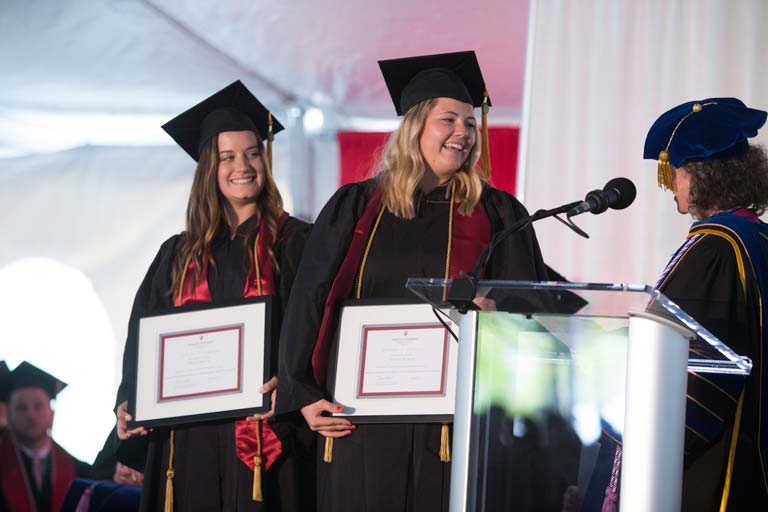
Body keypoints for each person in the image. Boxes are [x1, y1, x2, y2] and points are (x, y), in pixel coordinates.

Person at [275, 51, 549, 512]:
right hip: (359, 423)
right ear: (415, 125)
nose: (463, 133)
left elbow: (530, 308)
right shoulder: (355, 207)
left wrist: (495, 314)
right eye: (449, 120)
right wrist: (301, 392)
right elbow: (310, 299)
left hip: (452, 425)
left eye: (470, 123)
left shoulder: (498, 213)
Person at [113, 81, 314, 512]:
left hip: (265, 439)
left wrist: (292, 384)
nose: (243, 166)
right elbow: (141, 340)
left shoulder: (296, 243)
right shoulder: (177, 254)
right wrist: (130, 399)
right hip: (188, 443)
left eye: (252, 153)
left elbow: (317, 331)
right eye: (228, 157)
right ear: (209, 168)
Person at [583, 98, 768, 512]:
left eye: (677, 173)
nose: (671, 187)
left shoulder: (716, 246)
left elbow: (693, 376)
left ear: (703, 176)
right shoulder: (757, 238)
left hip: (713, 470)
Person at [0, 361, 91, 512]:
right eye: (21, 407)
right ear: (8, 414)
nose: (31, 415)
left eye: (38, 406)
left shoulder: (81, 472)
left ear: (52, 412)